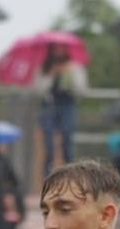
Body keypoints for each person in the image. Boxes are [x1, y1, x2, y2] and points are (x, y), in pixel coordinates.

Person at [36, 42, 85, 176]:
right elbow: (38, 90)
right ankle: (48, 177)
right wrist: (51, 75)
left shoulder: (74, 67)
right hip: (49, 106)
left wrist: (68, 74)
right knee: (49, 146)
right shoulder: (44, 67)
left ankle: (71, 175)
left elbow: (81, 89)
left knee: (67, 141)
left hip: (67, 105)